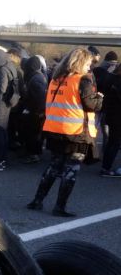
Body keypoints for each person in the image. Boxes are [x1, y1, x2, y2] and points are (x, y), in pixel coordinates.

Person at [27, 48, 103, 217]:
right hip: (75, 132)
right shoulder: (83, 79)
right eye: (88, 63)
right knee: (71, 169)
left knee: (53, 166)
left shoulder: (57, 79)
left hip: (55, 129)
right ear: (82, 62)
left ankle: (37, 200)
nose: (90, 66)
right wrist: (100, 98)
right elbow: (91, 105)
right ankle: (59, 207)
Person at [19, 56, 48, 164]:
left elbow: (40, 97)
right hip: (34, 110)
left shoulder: (36, 78)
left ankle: (33, 155)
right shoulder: (37, 76)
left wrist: (37, 111)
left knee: (33, 134)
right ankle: (31, 153)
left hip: (35, 111)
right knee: (31, 133)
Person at [100, 64, 121, 177]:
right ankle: (106, 168)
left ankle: (105, 167)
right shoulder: (117, 82)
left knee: (112, 142)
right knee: (115, 143)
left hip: (111, 115)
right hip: (117, 117)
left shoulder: (110, 79)